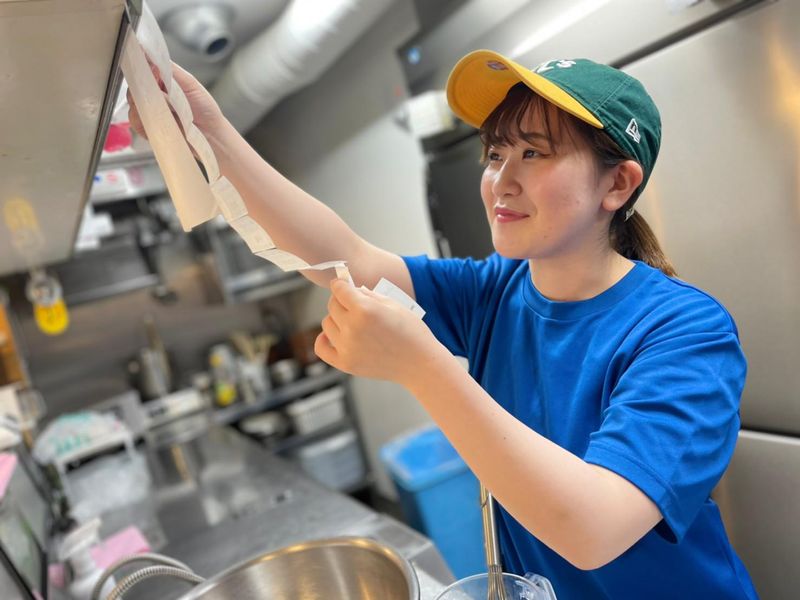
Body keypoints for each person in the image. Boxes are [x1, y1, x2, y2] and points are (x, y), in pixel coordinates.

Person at [129, 50, 757, 598]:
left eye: (533, 153)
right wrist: (210, 131)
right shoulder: (496, 290)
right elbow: (346, 259)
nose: (501, 181)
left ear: (616, 184)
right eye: (496, 153)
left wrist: (421, 366)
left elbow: (594, 529)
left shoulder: (685, 332)